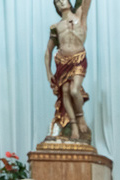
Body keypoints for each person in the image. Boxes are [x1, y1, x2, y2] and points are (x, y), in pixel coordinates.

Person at [45, 0, 93, 141]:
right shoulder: (56, 27)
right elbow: (48, 51)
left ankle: (80, 118)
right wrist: (48, 72)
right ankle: (74, 126)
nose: (60, 2)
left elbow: (85, 2)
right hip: (62, 62)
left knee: (74, 90)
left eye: (63, 0)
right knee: (65, 91)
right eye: (57, 2)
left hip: (78, 59)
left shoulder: (80, 17)